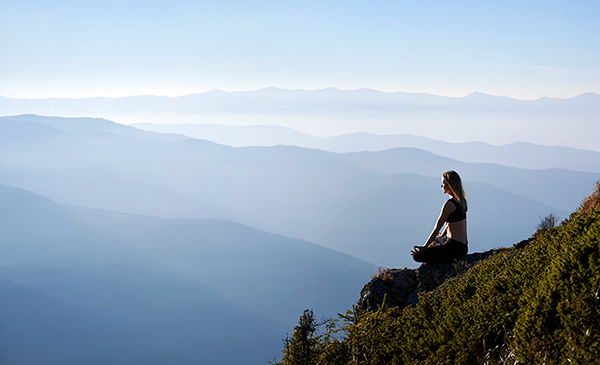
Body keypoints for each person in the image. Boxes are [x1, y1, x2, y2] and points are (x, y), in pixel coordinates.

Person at [411, 170, 468, 263]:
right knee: (437, 239)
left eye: (443, 183)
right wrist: (443, 235)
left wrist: (424, 247)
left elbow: (437, 227)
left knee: (417, 256)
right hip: (463, 247)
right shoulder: (461, 201)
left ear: (450, 185)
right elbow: (452, 221)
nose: (441, 186)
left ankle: (445, 261)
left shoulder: (449, 205)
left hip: (454, 247)